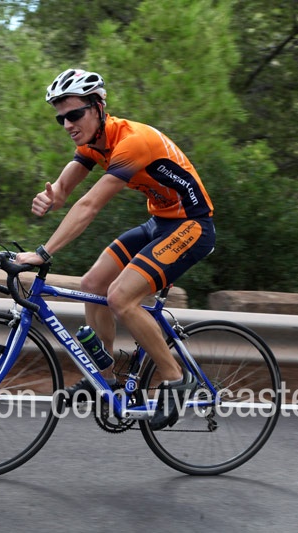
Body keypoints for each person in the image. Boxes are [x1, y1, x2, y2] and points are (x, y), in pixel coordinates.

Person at [15, 68, 216, 430]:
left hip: (192, 225)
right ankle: (105, 378)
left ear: (98, 107)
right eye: (61, 118)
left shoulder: (132, 142)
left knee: (121, 298)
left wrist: (42, 253)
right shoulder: (93, 143)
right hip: (160, 222)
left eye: (74, 115)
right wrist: (51, 197)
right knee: (92, 284)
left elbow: (90, 205)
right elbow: (64, 190)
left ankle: (176, 379)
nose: (67, 124)